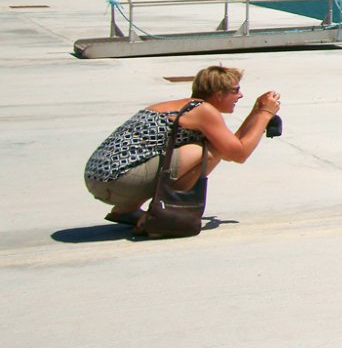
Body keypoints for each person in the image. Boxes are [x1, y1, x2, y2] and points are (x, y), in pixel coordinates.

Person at [83, 65, 282, 227]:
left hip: (101, 177)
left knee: (212, 149)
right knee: (208, 152)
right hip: (119, 180)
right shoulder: (203, 111)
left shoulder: (187, 106)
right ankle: (163, 212)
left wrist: (256, 113)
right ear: (218, 94)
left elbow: (231, 146)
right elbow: (238, 154)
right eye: (235, 91)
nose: (240, 96)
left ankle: (125, 210)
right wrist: (265, 114)